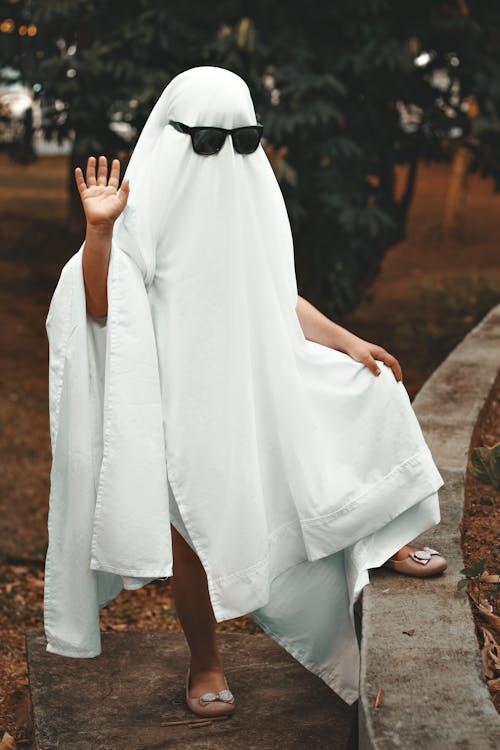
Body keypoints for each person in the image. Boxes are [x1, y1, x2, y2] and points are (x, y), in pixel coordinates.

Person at [44, 66, 446, 718]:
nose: (227, 155)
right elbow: (99, 307)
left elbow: (273, 295)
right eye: (208, 140)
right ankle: (206, 661)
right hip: (182, 400)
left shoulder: (250, 198)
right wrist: (99, 232)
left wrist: (344, 339)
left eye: (243, 138)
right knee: (193, 534)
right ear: (176, 137)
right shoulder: (139, 210)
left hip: (260, 377)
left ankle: (380, 540)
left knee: (368, 389)